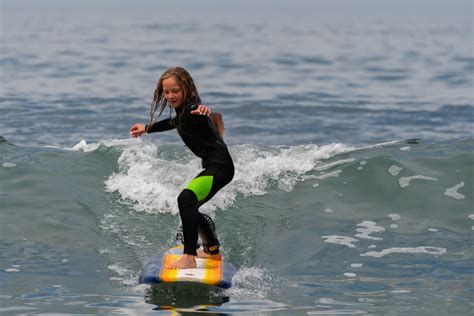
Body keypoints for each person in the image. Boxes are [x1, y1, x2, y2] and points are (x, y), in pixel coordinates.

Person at [130, 67, 234, 269]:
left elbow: (199, 110)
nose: (170, 96)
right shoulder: (183, 112)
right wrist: (147, 128)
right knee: (190, 205)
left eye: (175, 91)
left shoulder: (193, 107)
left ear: (186, 89)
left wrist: (204, 110)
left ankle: (189, 256)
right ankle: (212, 251)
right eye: (166, 92)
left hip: (220, 167)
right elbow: (173, 122)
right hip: (217, 166)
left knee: (185, 199)